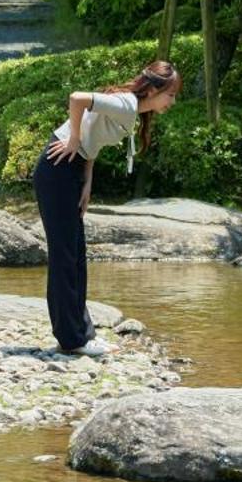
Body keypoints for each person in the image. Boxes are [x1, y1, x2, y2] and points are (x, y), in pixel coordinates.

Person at [33, 59, 180, 356]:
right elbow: (78, 99)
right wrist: (73, 139)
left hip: (71, 170)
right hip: (58, 166)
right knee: (65, 256)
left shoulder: (131, 110)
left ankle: (81, 335)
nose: (172, 102)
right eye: (171, 94)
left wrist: (87, 181)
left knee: (76, 255)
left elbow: (93, 138)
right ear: (153, 89)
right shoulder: (126, 104)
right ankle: (71, 339)